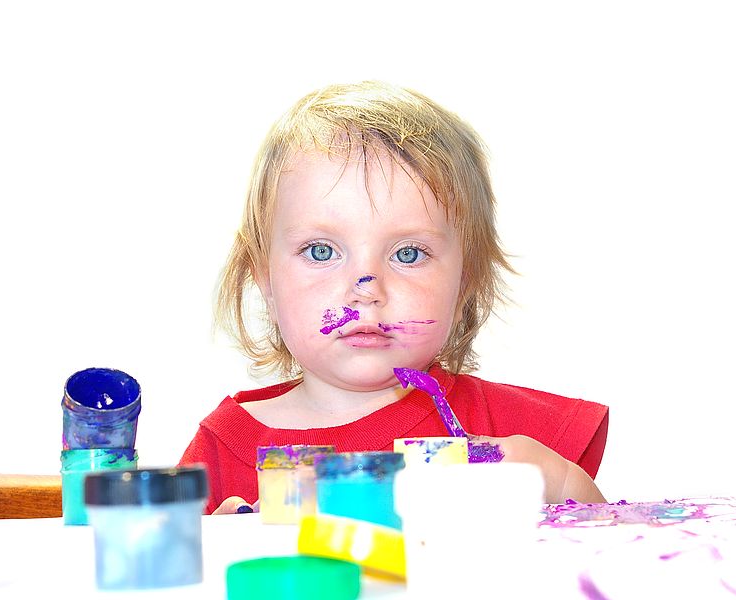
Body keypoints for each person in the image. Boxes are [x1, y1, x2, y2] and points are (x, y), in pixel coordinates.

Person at [179, 81, 609, 514]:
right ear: (265, 283)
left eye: (407, 254)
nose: (367, 290)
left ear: (466, 284)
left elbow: (619, 553)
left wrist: (557, 482)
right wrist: (218, 548)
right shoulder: (222, 451)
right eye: (321, 251)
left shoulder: (511, 430)